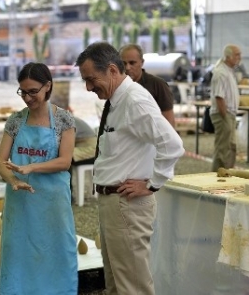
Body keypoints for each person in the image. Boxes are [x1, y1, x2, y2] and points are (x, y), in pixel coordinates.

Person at [76, 42, 184, 295]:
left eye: (91, 79)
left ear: (112, 70)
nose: (88, 87)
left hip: (126, 204)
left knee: (132, 286)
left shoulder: (134, 101)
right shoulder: (118, 100)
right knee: (116, 282)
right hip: (114, 203)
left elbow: (172, 145)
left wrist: (152, 183)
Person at [0, 62, 78, 294]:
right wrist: (13, 181)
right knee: (19, 255)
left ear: (47, 86)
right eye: (23, 91)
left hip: (52, 202)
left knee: (57, 251)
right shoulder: (15, 121)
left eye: (33, 91)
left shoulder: (64, 120)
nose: (28, 98)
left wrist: (31, 168)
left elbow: (65, 161)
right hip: (20, 202)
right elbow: (0, 162)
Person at [119, 44, 176, 127]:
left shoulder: (157, 85)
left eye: (132, 63)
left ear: (142, 62)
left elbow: (168, 120)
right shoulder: (117, 87)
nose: (127, 67)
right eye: (123, 63)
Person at [210, 44, 241, 172]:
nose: (240, 58)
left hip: (230, 114)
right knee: (223, 148)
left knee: (231, 146)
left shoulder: (228, 71)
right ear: (228, 57)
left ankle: (228, 173)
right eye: (237, 55)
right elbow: (219, 97)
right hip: (223, 114)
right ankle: (217, 175)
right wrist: (225, 117)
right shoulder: (221, 72)